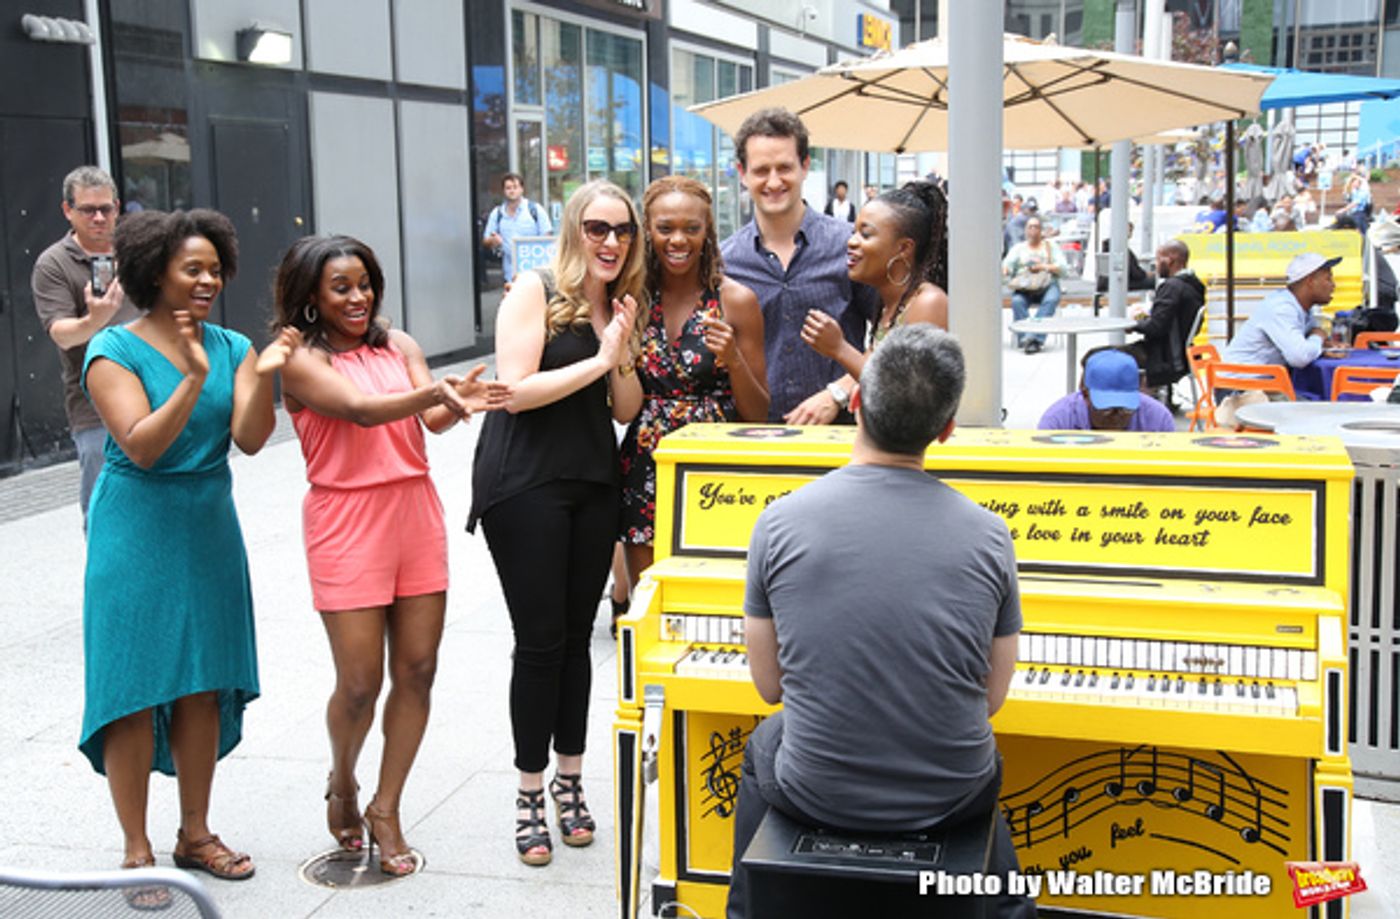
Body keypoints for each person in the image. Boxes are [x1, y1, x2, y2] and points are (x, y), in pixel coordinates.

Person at [725, 325, 1030, 919]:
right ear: (944, 430)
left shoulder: (779, 521)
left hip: (817, 795)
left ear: (858, 400)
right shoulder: (991, 534)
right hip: (952, 796)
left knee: (766, 741)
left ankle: (751, 908)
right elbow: (991, 700)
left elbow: (769, 688)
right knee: (980, 757)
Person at [273, 235, 509, 875]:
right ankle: (344, 779)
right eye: (341, 287)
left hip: (413, 511)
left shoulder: (397, 344)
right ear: (311, 297)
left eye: (364, 283)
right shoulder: (298, 359)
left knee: (419, 668)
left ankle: (386, 805)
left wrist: (456, 403)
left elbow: (425, 422)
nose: (358, 297)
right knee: (358, 684)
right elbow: (360, 411)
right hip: (346, 518)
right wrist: (433, 395)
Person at [80, 209, 299, 895]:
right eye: (192, 268)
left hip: (208, 524)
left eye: (214, 268)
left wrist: (262, 373)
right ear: (155, 272)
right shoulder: (112, 349)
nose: (208, 279)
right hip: (136, 526)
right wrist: (190, 378)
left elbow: (252, 438)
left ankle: (195, 832)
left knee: (203, 680)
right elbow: (142, 444)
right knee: (134, 687)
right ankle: (137, 849)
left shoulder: (232, 345)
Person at [468, 179, 646, 867]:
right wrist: (599, 359)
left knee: (578, 641)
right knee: (540, 642)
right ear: (573, 229)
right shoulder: (535, 289)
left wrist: (620, 349)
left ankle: (571, 782)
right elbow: (512, 392)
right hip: (527, 482)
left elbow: (625, 404)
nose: (611, 241)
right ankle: (528, 791)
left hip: (593, 481)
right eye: (598, 227)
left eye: (623, 230)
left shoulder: (615, 305)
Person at [619, 177, 768, 597]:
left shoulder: (735, 301)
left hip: (715, 467)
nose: (678, 240)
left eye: (692, 228)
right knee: (647, 600)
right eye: (665, 228)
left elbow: (759, 413)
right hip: (646, 461)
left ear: (708, 232)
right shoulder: (633, 298)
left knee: (714, 599)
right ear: (648, 230)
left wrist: (733, 359)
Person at [720, 108, 879, 424]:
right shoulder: (725, 262)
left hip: (843, 437)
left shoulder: (849, 246)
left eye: (785, 168)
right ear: (742, 172)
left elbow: (893, 335)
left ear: (805, 166)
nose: (774, 181)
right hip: (757, 438)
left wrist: (840, 391)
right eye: (762, 170)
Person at [30, 165, 140, 531]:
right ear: (67, 210)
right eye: (87, 210)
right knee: (104, 509)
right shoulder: (53, 264)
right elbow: (61, 333)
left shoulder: (137, 251)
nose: (98, 218)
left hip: (153, 393)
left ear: (118, 207)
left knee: (155, 501)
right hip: (94, 406)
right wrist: (97, 318)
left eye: (106, 209)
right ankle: (107, 585)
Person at [797, 180, 949, 403]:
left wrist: (839, 348)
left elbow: (908, 398)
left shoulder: (928, 302)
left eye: (865, 234)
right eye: (854, 232)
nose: (851, 242)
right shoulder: (890, 306)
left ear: (904, 248)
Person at [1217, 252, 1337, 426]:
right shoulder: (1281, 308)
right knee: (1322, 417)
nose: (1333, 285)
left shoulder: (1299, 307)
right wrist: (1318, 338)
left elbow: (1305, 339)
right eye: (1328, 279)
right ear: (1310, 281)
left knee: (1320, 409)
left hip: (1261, 385)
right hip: (1240, 391)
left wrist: (1323, 345)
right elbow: (1300, 357)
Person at [1127, 239, 1205, 392]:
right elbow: (1169, 321)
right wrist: (1145, 317)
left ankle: (1130, 403)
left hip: (1164, 357)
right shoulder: (1194, 285)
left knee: (1100, 357)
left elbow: (1156, 327)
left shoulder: (1171, 287)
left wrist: (1133, 324)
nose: (1155, 265)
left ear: (1169, 260)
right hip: (1182, 355)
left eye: (1158, 259)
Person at [1038, 348, 1176, 432]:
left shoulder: (1158, 419)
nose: (1116, 417)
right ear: (1085, 393)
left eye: (1125, 409)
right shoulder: (1057, 422)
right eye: (1106, 410)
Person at [1002, 214, 1066, 354]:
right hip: (1025, 286)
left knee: (1051, 299)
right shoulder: (1018, 249)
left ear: (1041, 230)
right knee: (1017, 301)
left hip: (1047, 284)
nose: (1033, 230)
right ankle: (1029, 339)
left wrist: (1043, 267)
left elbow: (1063, 268)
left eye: (1036, 227)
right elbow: (1007, 265)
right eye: (1029, 227)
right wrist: (1006, 270)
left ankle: (1032, 338)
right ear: (1025, 230)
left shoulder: (1051, 246)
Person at [482, 172, 553, 284]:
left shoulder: (535, 210)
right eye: (508, 188)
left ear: (522, 189)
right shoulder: (497, 213)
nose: (512, 191)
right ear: (504, 191)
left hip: (535, 275)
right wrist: (493, 241)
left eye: (515, 187)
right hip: (510, 275)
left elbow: (547, 238)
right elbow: (486, 240)